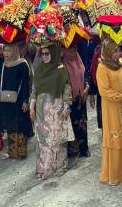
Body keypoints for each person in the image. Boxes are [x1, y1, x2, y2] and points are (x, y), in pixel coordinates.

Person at [30, 44, 74, 179]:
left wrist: (66, 106)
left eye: (47, 53)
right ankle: (43, 168)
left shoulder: (60, 70)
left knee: (56, 138)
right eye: (42, 54)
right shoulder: (38, 70)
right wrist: (32, 105)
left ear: (53, 53)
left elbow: (67, 89)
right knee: (43, 140)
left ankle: (59, 166)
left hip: (56, 108)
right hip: (41, 110)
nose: (44, 57)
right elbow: (34, 90)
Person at [97, 38, 122, 185]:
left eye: (119, 50)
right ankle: (115, 174)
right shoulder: (102, 68)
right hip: (112, 108)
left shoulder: (121, 64)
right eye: (115, 51)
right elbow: (104, 91)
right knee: (115, 136)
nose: (118, 53)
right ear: (108, 52)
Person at [0, 44, 31, 160]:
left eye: (9, 51)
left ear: (15, 51)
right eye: (5, 50)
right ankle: (12, 152)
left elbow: (26, 84)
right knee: (10, 126)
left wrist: (26, 101)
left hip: (19, 99)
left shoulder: (22, 64)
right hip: (5, 100)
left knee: (19, 126)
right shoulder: (2, 62)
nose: (6, 53)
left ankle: (21, 152)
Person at [62, 46, 90, 158]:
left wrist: (86, 89)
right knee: (71, 125)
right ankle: (73, 150)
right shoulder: (62, 65)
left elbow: (86, 77)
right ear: (64, 51)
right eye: (70, 51)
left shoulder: (79, 60)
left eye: (75, 50)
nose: (74, 53)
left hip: (81, 100)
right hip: (70, 101)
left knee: (82, 125)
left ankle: (84, 149)